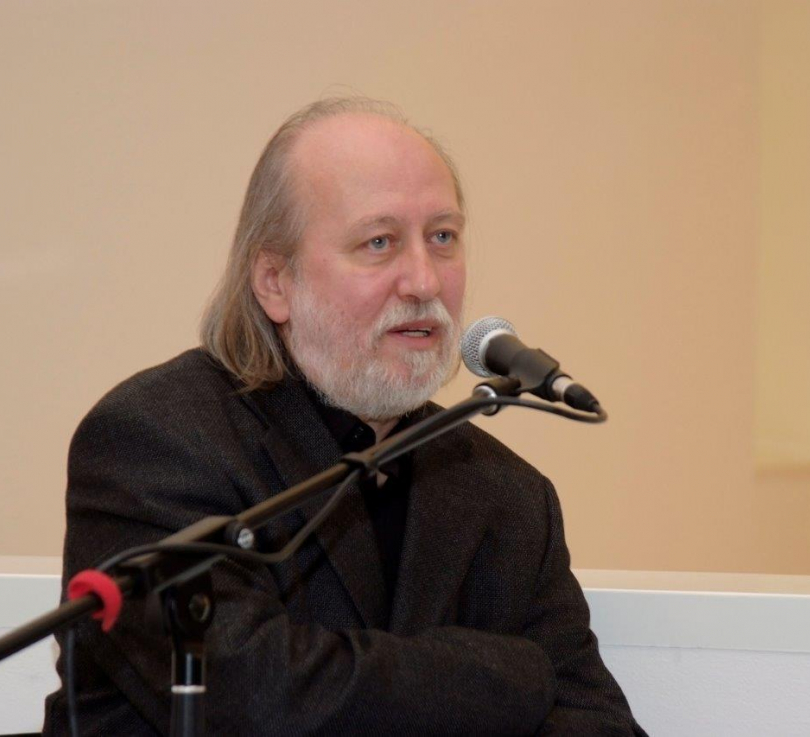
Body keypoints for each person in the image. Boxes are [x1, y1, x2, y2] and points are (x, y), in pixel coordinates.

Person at [43, 98, 645, 735]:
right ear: (275, 282)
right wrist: (511, 676)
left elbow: (595, 723)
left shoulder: (510, 495)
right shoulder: (154, 439)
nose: (424, 282)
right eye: (378, 242)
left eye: (443, 237)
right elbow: (250, 697)